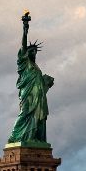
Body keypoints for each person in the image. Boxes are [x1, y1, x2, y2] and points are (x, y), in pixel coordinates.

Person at [8, 11, 54, 145]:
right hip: (28, 95)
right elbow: (23, 46)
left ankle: (34, 138)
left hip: (39, 97)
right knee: (25, 113)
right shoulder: (25, 63)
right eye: (31, 51)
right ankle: (15, 136)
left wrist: (46, 84)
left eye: (35, 51)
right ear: (26, 54)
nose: (33, 52)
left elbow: (40, 85)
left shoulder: (37, 68)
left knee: (38, 117)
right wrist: (25, 29)